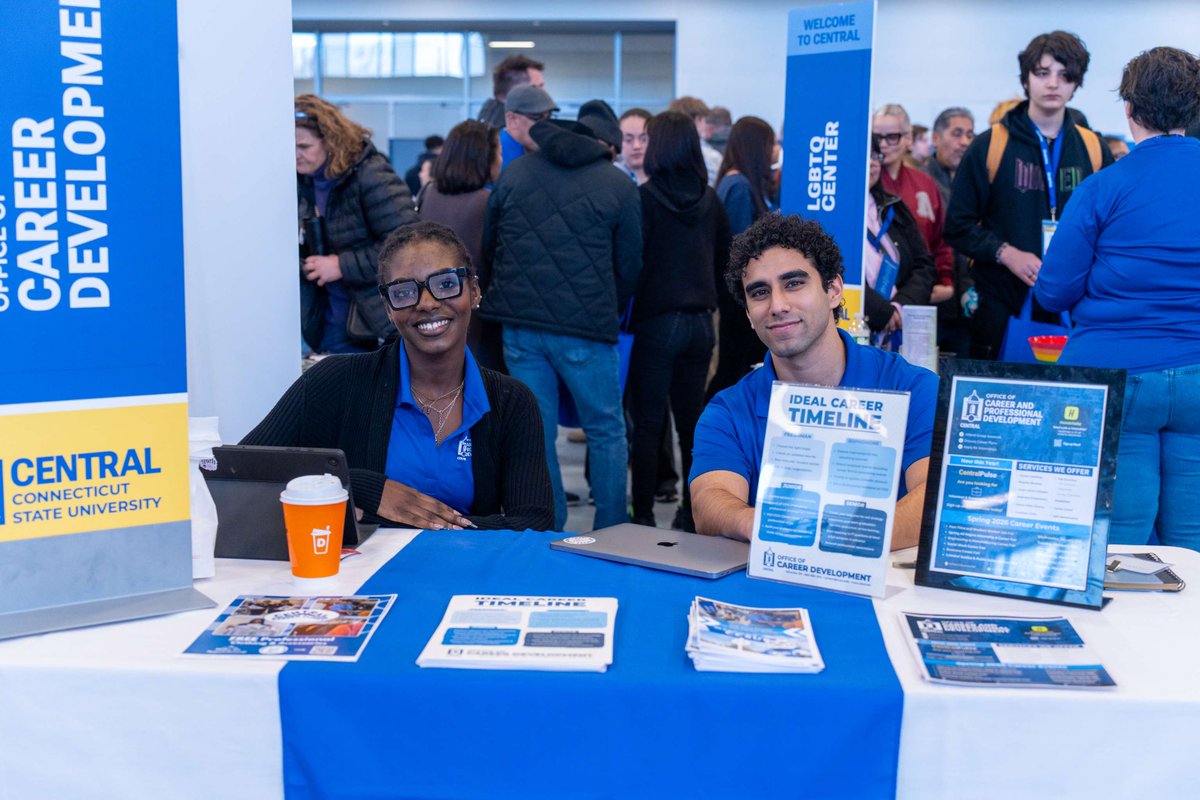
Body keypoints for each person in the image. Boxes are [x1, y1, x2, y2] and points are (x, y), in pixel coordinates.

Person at [243, 222, 554, 532]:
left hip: (466, 578)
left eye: (445, 284)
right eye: (404, 292)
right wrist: (362, 487)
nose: (427, 303)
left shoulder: (511, 402)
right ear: (388, 308)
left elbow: (532, 524)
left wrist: (411, 523)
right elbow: (238, 469)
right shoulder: (335, 381)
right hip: (362, 580)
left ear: (473, 290)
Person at [1035, 46, 1200, 550]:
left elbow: (1053, 291)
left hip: (1116, 382)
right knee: (1192, 541)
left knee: (1120, 545)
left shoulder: (1101, 187)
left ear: (1128, 110)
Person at [690, 214, 937, 548]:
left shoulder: (913, 388)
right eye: (760, 292)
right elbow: (710, 502)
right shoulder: (728, 412)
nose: (777, 305)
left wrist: (830, 541)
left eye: (794, 283)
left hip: (883, 595)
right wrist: (762, 525)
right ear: (748, 314)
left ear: (834, 290)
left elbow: (933, 498)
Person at [481, 110, 642, 530]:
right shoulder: (618, 183)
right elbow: (630, 265)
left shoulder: (514, 174)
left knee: (538, 433)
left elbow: (490, 245)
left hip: (521, 327)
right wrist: (607, 305)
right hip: (588, 328)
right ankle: (611, 531)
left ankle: (548, 528)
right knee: (606, 430)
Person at [945, 31, 1113, 360]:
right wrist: (1005, 252)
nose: (1053, 84)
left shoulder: (1093, 148)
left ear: (1076, 84)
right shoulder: (989, 144)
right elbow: (957, 225)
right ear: (1026, 79)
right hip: (1000, 303)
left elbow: (1109, 229)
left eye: (1065, 76)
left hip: (1075, 304)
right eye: (1043, 73)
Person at [627, 111, 731, 531]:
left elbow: (632, 263)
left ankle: (644, 515)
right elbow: (728, 262)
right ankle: (691, 513)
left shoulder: (644, 199)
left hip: (656, 324)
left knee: (648, 423)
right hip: (702, 325)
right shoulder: (710, 199)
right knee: (692, 424)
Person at [295, 95, 417, 355]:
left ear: (330, 141)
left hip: (369, 327)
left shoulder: (370, 175)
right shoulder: (302, 182)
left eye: (304, 146)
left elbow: (407, 245)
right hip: (323, 322)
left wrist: (341, 265)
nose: (296, 155)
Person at [417, 120, 504, 371]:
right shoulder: (489, 202)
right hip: (478, 316)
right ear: (483, 158)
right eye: (498, 152)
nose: (501, 159)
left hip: (431, 306)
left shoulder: (428, 194)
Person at [706, 116, 777, 399]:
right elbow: (740, 250)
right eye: (770, 144)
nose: (774, 152)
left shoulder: (736, 182)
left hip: (739, 297)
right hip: (739, 300)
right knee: (733, 369)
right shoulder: (739, 186)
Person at [872, 104, 953, 307]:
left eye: (892, 137)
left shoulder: (925, 184)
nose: (883, 145)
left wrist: (945, 280)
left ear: (908, 138)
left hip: (921, 289)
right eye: (876, 137)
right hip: (875, 294)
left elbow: (940, 239)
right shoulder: (865, 184)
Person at [864, 135, 937, 338]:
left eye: (874, 155)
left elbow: (925, 265)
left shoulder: (893, 206)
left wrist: (899, 307)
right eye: (863, 154)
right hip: (854, 328)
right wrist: (879, 311)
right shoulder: (826, 213)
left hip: (900, 327)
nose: (871, 162)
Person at [923, 106, 978, 356]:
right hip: (930, 301)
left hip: (966, 306)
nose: (965, 142)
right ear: (936, 138)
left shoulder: (975, 183)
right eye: (957, 133)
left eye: (969, 134)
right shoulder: (920, 182)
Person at [478, 53, 545, 129]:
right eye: (539, 87)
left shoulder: (490, 117)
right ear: (516, 92)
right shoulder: (514, 131)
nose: (545, 93)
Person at [669, 96, 723, 186]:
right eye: (705, 121)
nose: (706, 125)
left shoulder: (664, 154)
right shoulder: (711, 157)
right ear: (698, 119)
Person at [501, 84, 558, 169]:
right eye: (538, 118)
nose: (547, 126)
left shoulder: (543, 151)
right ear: (512, 119)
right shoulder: (494, 160)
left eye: (549, 117)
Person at [617, 108, 652, 185]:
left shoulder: (667, 178)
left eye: (644, 139)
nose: (636, 146)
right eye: (628, 140)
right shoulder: (611, 177)